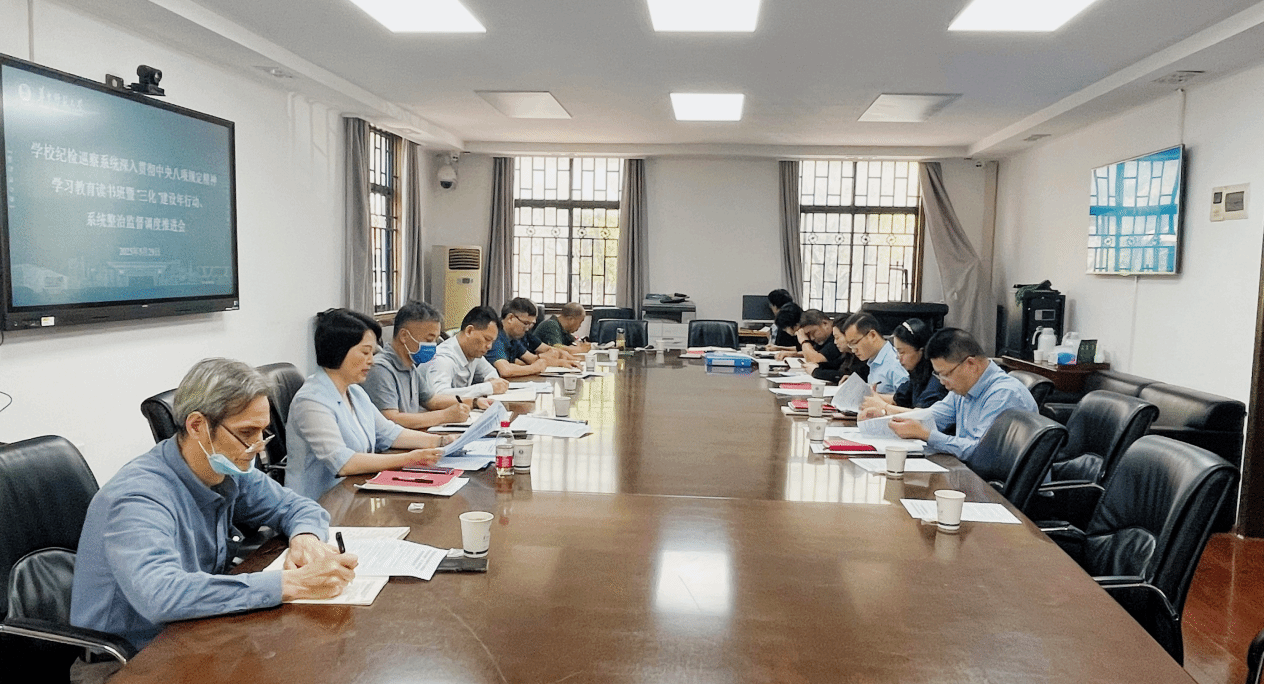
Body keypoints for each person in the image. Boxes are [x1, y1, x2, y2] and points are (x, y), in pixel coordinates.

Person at [71, 358, 358, 651]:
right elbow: (162, 595)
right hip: (129, 656)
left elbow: (298, 507)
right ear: (198, 426)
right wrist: (292, 583)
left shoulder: (227, 468)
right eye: (246, 433)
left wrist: (306, 538)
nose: (259, 446)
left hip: (195, 629)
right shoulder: (138, 497)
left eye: (263, 431)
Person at [286, 309, 449, 500]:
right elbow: (344, 463)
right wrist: (409, 458)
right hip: (317, 503)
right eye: (365, 352)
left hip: (352, 495)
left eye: (372, 352)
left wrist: (442, 441)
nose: (371, 361)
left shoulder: (355, 392)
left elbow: (390, 433)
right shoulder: (311, 401)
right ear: (339, 350)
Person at [889, 328, 1037, 462]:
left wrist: (926, 435)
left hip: (994, 480)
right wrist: (892, 421)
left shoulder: (1003, 394)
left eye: (945, 374)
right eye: (938, 375)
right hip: (973, 471)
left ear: (971, 364)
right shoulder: (962, 389)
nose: (942, 382)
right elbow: (933, 416)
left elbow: (980, 452)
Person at [362, 301, 492, 431]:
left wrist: (474, 402)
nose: (433, 346)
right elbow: (391, 419)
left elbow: (432, 400)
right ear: (404, 336)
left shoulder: (410, 366)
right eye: (429, 340)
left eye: (435, 340)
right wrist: (444, 416)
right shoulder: (380, 369)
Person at [858, 318, 948, 417]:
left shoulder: (936, 380)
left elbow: (922, 415)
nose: (898, 357)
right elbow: (898, 399)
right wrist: (871, 397)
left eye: (902, 352)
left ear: (921, 351)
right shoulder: (918, 375)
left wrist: (884, 407)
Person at [429, 305, 512, 398]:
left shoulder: (473, 353)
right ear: (469, 331)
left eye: (492, 341)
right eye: (487, 339)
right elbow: (439, 394)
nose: (489, 346)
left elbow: (490, 372)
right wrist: (486, 388)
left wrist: (492, 381)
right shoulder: (443, 358)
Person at [486, 297, 575, 377]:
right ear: (510, 318)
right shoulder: (495, 335)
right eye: (526, 323)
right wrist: (534, 368)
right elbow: (505, 370)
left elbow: (532, 359)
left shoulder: (513, 337)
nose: (528, 328)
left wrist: (561, 363)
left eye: (530, 324)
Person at [841, 312, 909, 394]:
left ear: (872, 335)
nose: (853, 350)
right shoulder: (875, 360)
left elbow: (906, 399)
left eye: (854, 343)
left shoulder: (894, 362)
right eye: (850, 345)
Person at [813, 314, 870, 384]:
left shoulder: (863, 357)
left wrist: (816, 372)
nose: (835, 342)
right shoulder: (848, 355)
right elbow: (835, 366)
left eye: (837, 338)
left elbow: (843, 376)